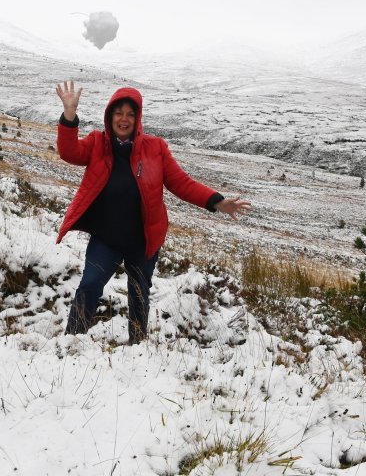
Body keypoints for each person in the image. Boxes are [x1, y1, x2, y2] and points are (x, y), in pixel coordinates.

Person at [54, 80, 251, 344]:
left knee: (139, 294)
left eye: (130, 114)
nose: (124, 119)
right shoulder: (97, 144)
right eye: (118, 113)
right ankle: (71, 342)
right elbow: (68, 152)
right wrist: (69, 115)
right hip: (106, 239)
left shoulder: (155, 148)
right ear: (110, 115)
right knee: (89, 285)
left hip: (142, 240)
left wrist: (217, 201)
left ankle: (137, 346)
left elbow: (182, 183)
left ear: (138, 119)